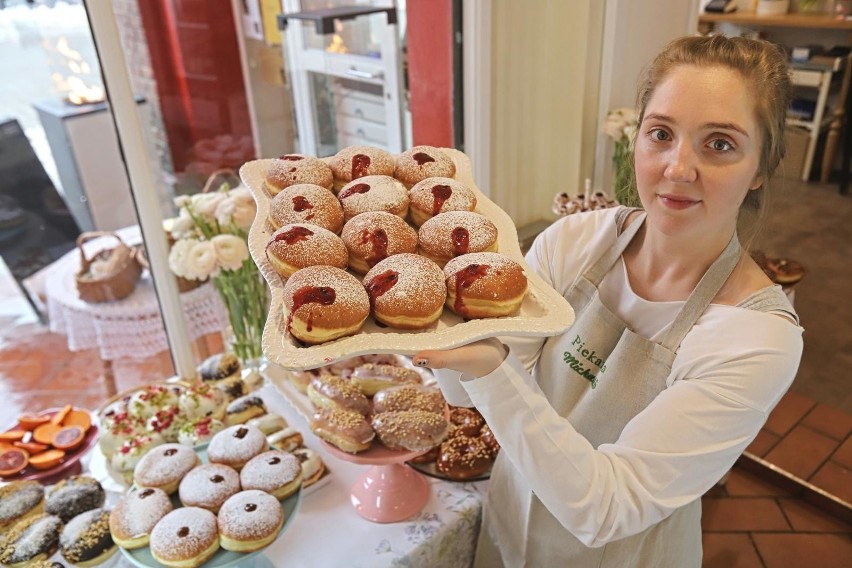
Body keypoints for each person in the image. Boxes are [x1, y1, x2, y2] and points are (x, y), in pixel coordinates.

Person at [413, 35, 803, 567]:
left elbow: (607, 508)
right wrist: (446, 322)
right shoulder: (574, 242)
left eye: (719, 144)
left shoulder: (757, 338)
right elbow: (465, 394)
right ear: (636, 140)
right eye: (661, 133)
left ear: (760, 168)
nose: (678, 167)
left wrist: (490, 362)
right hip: (509, 529)